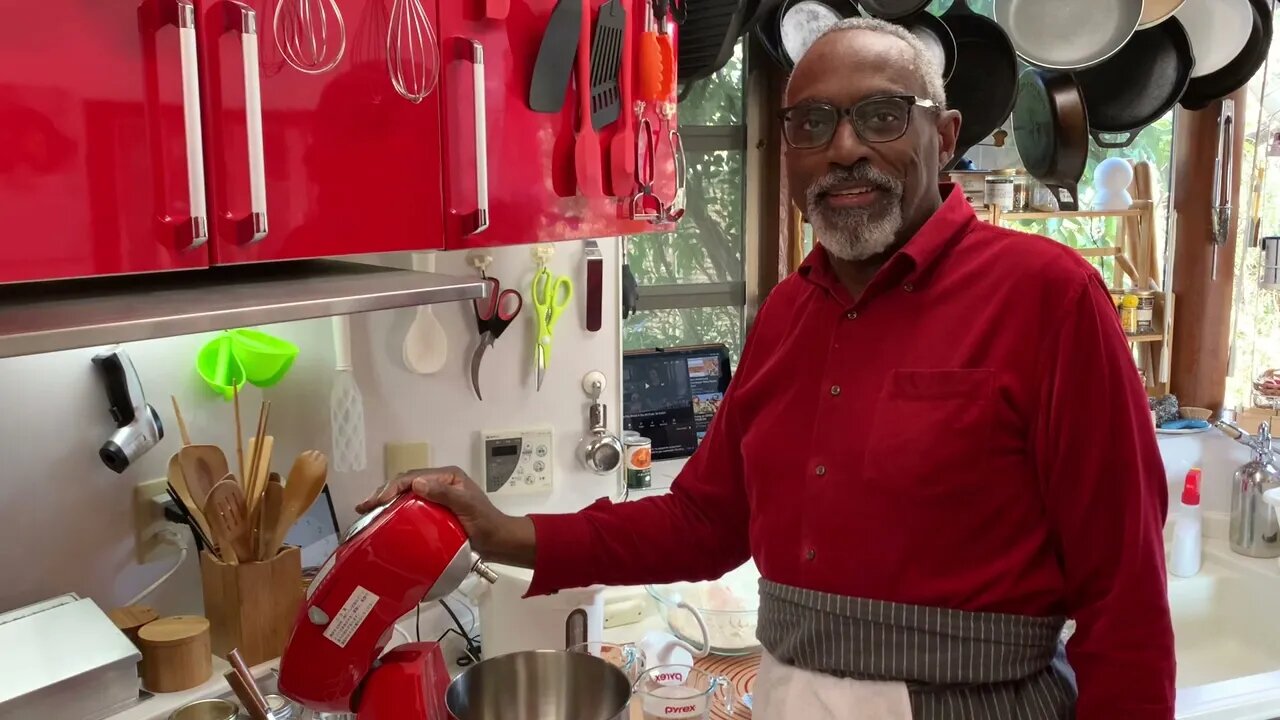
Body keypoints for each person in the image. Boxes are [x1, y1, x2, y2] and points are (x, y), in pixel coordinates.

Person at [360, 17, 1175, 720]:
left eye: (882, 116)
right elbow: (708, 523)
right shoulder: (789, 312)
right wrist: (504, 530)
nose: (844, 148)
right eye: (811, 124)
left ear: (947, 136)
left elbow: (1125, 599)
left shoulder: (1048, 298)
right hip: (791, 695)